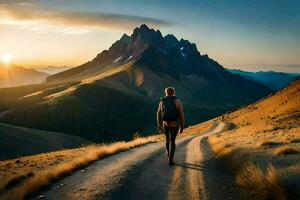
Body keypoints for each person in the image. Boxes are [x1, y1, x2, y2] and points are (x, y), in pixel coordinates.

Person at [157, 87, 184, 165]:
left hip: (165, 124)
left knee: (167, 140)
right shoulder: (177, 101)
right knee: (173, 141)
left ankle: (168, 154)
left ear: (166, 93)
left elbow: (158, 113)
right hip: (174, 124)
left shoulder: (162, 101)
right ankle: (171, 159)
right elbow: (181, 115)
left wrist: (159, 125)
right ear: (173, 92)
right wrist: (182, 126)